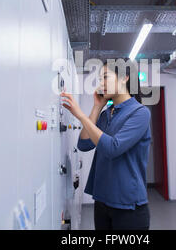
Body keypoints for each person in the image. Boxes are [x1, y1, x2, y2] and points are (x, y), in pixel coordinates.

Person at [60, 60, 151, 230]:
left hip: (128, 206)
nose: (101, 84)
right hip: (102, 201)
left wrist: (80, 115)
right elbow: (84, 144)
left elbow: (112, 148)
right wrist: (96, 107)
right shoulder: (106, 115)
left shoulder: (140, 113)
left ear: (124, 77)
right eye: (100, 79)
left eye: (105, 77)